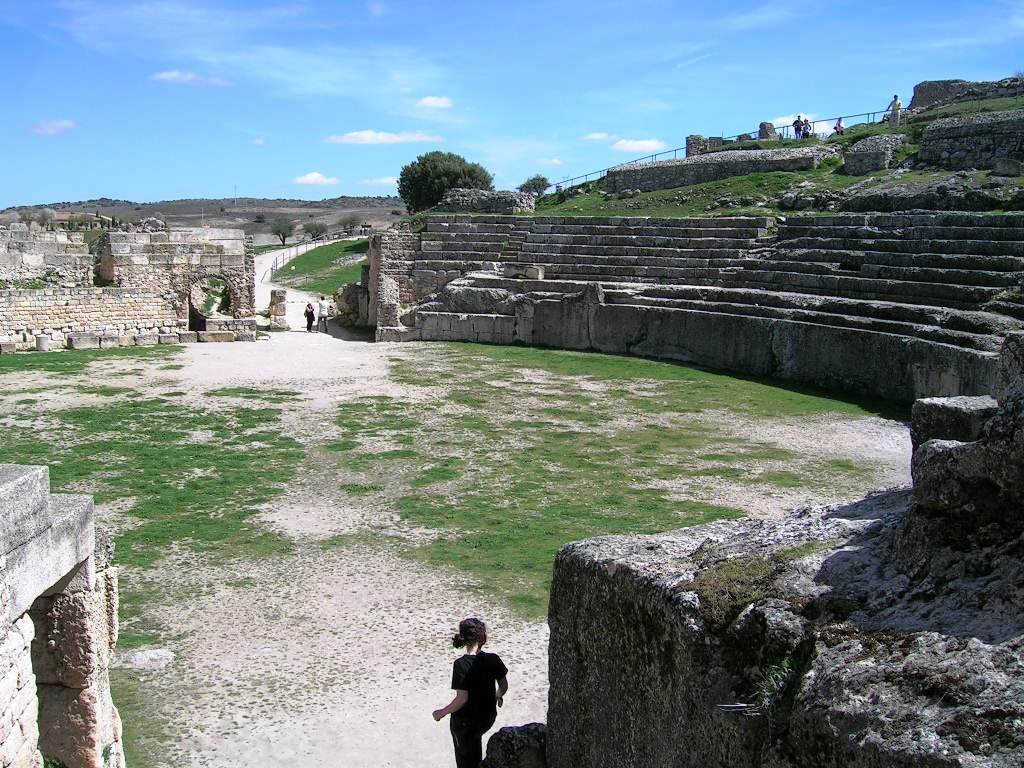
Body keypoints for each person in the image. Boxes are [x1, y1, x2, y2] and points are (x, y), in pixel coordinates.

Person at [432, 618, 509, 768]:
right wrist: (497, 696)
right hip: (487, 718)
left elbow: (462, 699)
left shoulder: (460, 664)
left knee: (465, 760)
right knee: (475, 744)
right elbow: (504, 686)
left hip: (465, 724)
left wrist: (441, 713)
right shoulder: (493, 659)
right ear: (482, 638)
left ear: (464, 639)